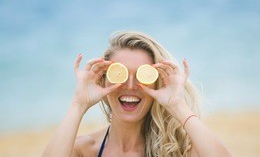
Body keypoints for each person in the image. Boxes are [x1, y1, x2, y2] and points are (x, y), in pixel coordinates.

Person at [42, 31, 232, 157]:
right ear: (103, 80)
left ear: (157, 85)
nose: (131, 86)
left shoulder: (178, 150)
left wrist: (177, 105)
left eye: (143, 75)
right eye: (120, 74)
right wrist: (78, 104)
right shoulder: (83, 150)